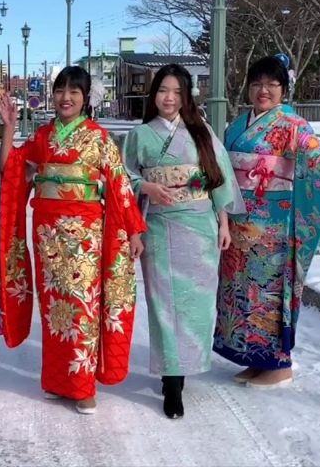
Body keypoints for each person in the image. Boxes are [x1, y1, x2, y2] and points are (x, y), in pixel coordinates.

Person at [0, 67, 147, 415]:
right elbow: (12, 172)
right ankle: (56, 381)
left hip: (86, 236)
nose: (66, 97)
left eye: (74, 92)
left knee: (83, 307)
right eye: (60, 90)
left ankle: (82, 386)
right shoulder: (43, 135)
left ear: (86, 98)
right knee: (55, 311)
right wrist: (8, 126)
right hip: (48, 234)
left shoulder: (99, 137)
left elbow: (121, 186)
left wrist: (134, 230)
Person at [214, 56, 320, 388]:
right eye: (256, 84)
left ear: (284, 89)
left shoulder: (294, 126)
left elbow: (317, 161)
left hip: (273, 231)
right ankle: (254, 360)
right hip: (239, 225)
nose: (263, 90)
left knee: (267, 294)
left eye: (271, 84)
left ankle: (278, 364)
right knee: (240, 292)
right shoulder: (238, 126)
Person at [122, 65, 245, 419]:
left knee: (196, 305)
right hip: (159, 227)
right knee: (163, 304)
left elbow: (216, 178)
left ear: (186, 96)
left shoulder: (201, 132)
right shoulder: (140, 135)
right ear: (153, 93)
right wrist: (144, 186)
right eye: (163, 90)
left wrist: (223, 222)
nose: (169, 98)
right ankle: (171, 379)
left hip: (200, 226)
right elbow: (123, 176)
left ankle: (182, 368)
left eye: (177, 91)